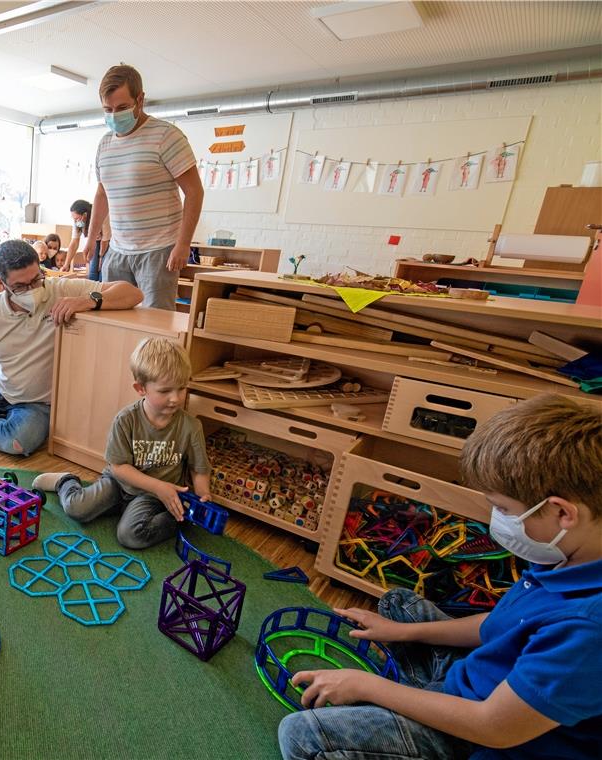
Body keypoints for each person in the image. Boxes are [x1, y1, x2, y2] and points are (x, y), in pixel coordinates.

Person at [278, 394, 602, 760]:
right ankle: (415, 686)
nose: (497, 518)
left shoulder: (588, 628)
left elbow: (491, 727)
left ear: (562, 513)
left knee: (303, 737)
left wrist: (368, 686)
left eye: (503, 508)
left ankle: (406, 700)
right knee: (397, 604)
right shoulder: (566, 553)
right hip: (475, 678)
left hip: (477, 736)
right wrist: (403, 632)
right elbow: (501, 624)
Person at [0, 239, 142, 456]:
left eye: (36, 279)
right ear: (1, 284)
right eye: (20, 286)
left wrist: (88, 301)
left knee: (18, 442)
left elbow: (133, 293)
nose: (33, 289)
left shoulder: (60, 289)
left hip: (36, 402)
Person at [31, 338, 210, 549]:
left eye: (181, 389)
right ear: (141, 388)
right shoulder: (126, 420)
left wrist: (202, 496)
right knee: (76, 509)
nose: (175, 398)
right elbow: (118, 467)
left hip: (153, 497)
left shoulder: (191, 426)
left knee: (130, 536)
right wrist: (159, 486)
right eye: (165, 391)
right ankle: (65, 481)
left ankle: (178, 516)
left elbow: (199, 469)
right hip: (119, 483)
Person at [81, 65, 204, 309]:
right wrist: (92, 236)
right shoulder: (104, 144)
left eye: (122, 108)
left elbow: (194, 192)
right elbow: (102, 193)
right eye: (108, 110)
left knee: (154, 325)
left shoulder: (166, 136)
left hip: (158, 251)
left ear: (140, 100)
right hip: (117, 251)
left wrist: (182, 244)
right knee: (111, 318)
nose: (115, 115)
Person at [62, 199, 111, 280]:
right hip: (95, 241)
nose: (75, 221)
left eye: (77, 218)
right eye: (74, 218)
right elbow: (74, 242)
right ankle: (92, 290)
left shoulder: (102, 215)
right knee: (92, 270)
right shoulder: (78, 222)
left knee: (103, 270)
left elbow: (105, 240)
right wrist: (66, 264)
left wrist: (101, 259)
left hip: (108, 241)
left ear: (85, 215)